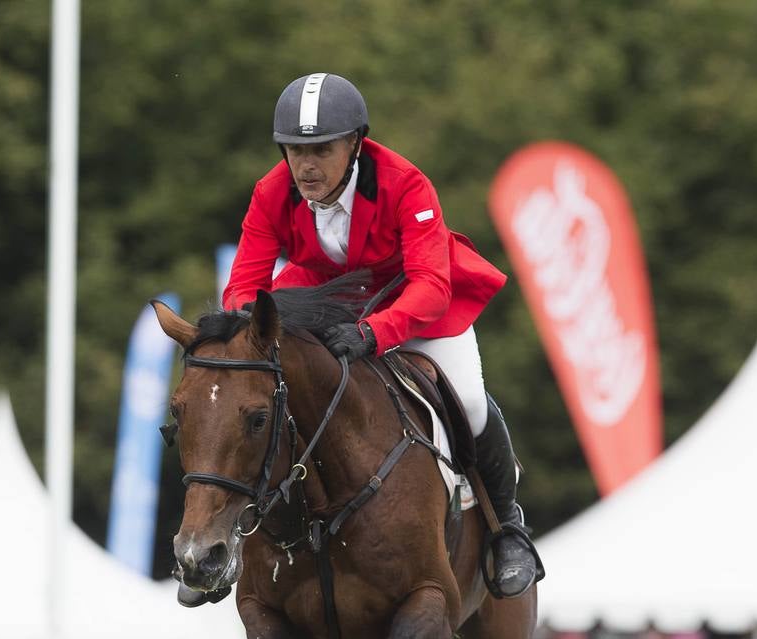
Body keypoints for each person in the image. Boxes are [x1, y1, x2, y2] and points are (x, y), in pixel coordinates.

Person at [222, 72, 542, 597]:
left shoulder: (403, 182)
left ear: (354, 143)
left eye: (321, 149)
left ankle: (507, 528)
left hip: (411, 306)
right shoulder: (271, 192)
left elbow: (431, 286)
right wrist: (240, 340)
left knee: (469, 401)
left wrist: (374, 334)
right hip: (324, 305)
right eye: (294, 150)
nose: (305, 166)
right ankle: (231, 535)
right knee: (253, 397)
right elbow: (244, 286)